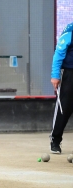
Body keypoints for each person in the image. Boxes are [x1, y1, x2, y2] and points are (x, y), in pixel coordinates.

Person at [50, 22, 73, 154]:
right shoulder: (70, 30)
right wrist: (55, 75)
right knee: (64, 107)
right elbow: (59, 53)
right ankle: (55, 140)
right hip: (69, 73)